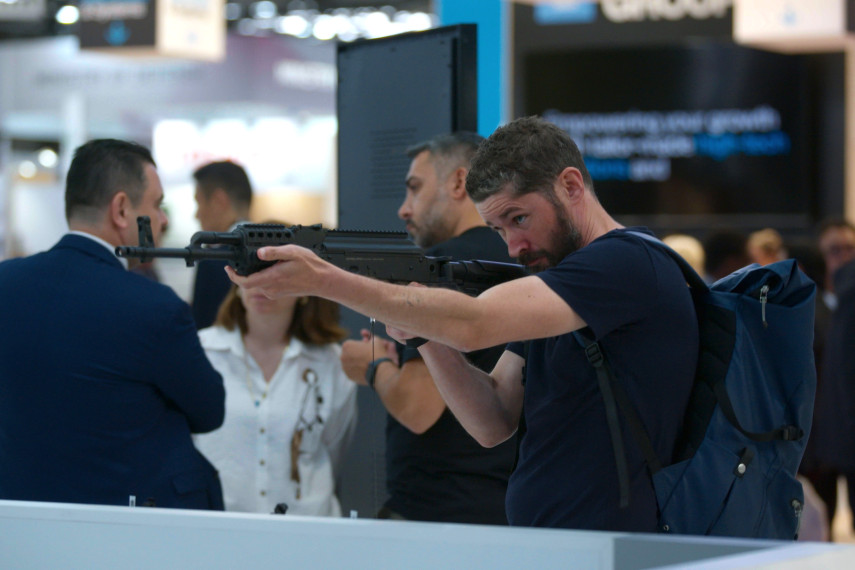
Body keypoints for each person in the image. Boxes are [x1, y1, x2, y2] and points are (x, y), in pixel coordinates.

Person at [226, 116, 698, 531]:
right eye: (498, 229)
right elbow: (492, 418)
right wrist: (426, 337)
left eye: (519, 218)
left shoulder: (625, 263)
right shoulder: (563, 285)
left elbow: (476, 323)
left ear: (571, 186)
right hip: (556, 543)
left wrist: (324, 280)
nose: (513, 247)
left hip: (617, 547)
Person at [0, 139, 226, 509]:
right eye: (157, 205)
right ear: (122, 209)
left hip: (19, 520)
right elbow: (209, 410)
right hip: (128, 525)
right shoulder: (154, 306)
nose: (163, 220)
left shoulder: (6, 283)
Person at [338, 132, 517, 525]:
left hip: (435, 515)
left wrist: (373, 367)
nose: (404, 209)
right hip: (505, 508)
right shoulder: (519, 264)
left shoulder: (441, 268)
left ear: (459, 182)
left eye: (415, 188)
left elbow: (418, 408)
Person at [193, 282, 357, 515]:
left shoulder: (331, 362)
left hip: (306, 524)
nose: (260, 284)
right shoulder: (202, 351)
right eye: (250, 272)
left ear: (303, 291)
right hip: (220, 523)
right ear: (236, 284)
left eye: (275, 274)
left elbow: (334, 449)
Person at [191, 160, 254, 329]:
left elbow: (202, 328)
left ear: (219, 201)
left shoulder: (212, 260)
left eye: (198, 203)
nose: (196, 215)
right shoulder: (276, 253)